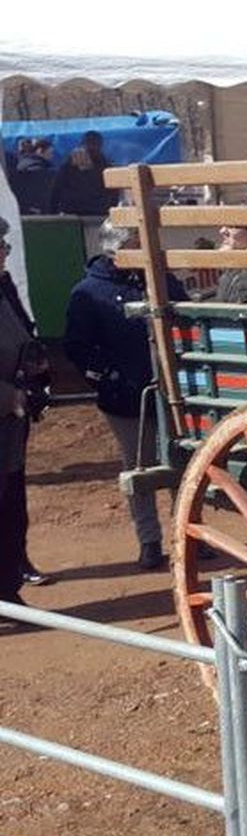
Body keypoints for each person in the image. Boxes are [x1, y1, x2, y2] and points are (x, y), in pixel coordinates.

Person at [63, 222, 189, 569]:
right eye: (137, 243)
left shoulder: (160, 280)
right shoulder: (89, 292)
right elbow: (77, 345)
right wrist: (107, 377)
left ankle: (188, 535)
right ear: (117, 250)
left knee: (182, 463)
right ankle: (149, 541)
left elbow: (186, 314)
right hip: (126, 398)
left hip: (171, 393)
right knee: (140, 467)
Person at [0, 217, 48, 600]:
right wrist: (7, 395)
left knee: (13, 503)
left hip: (11, 424)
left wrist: (34, 367)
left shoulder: (3, 286)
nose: (4, 253)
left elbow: (21, 334)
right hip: (5, 408)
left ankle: (11, 580)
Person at [51, 131, 114, 217]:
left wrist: (52, 212)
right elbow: (114, 193)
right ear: (100, 145)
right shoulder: (106, 165)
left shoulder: (69, 164)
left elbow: (56, 190)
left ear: (82, 144)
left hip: (73, 213)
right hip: (99, 212)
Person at [11, 137, 55, 216]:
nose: (51, 156)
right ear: (39, 151)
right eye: (50, 153)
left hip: (20, 211)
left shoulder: (16, 168)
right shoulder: (44, 172)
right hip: (40, 213)